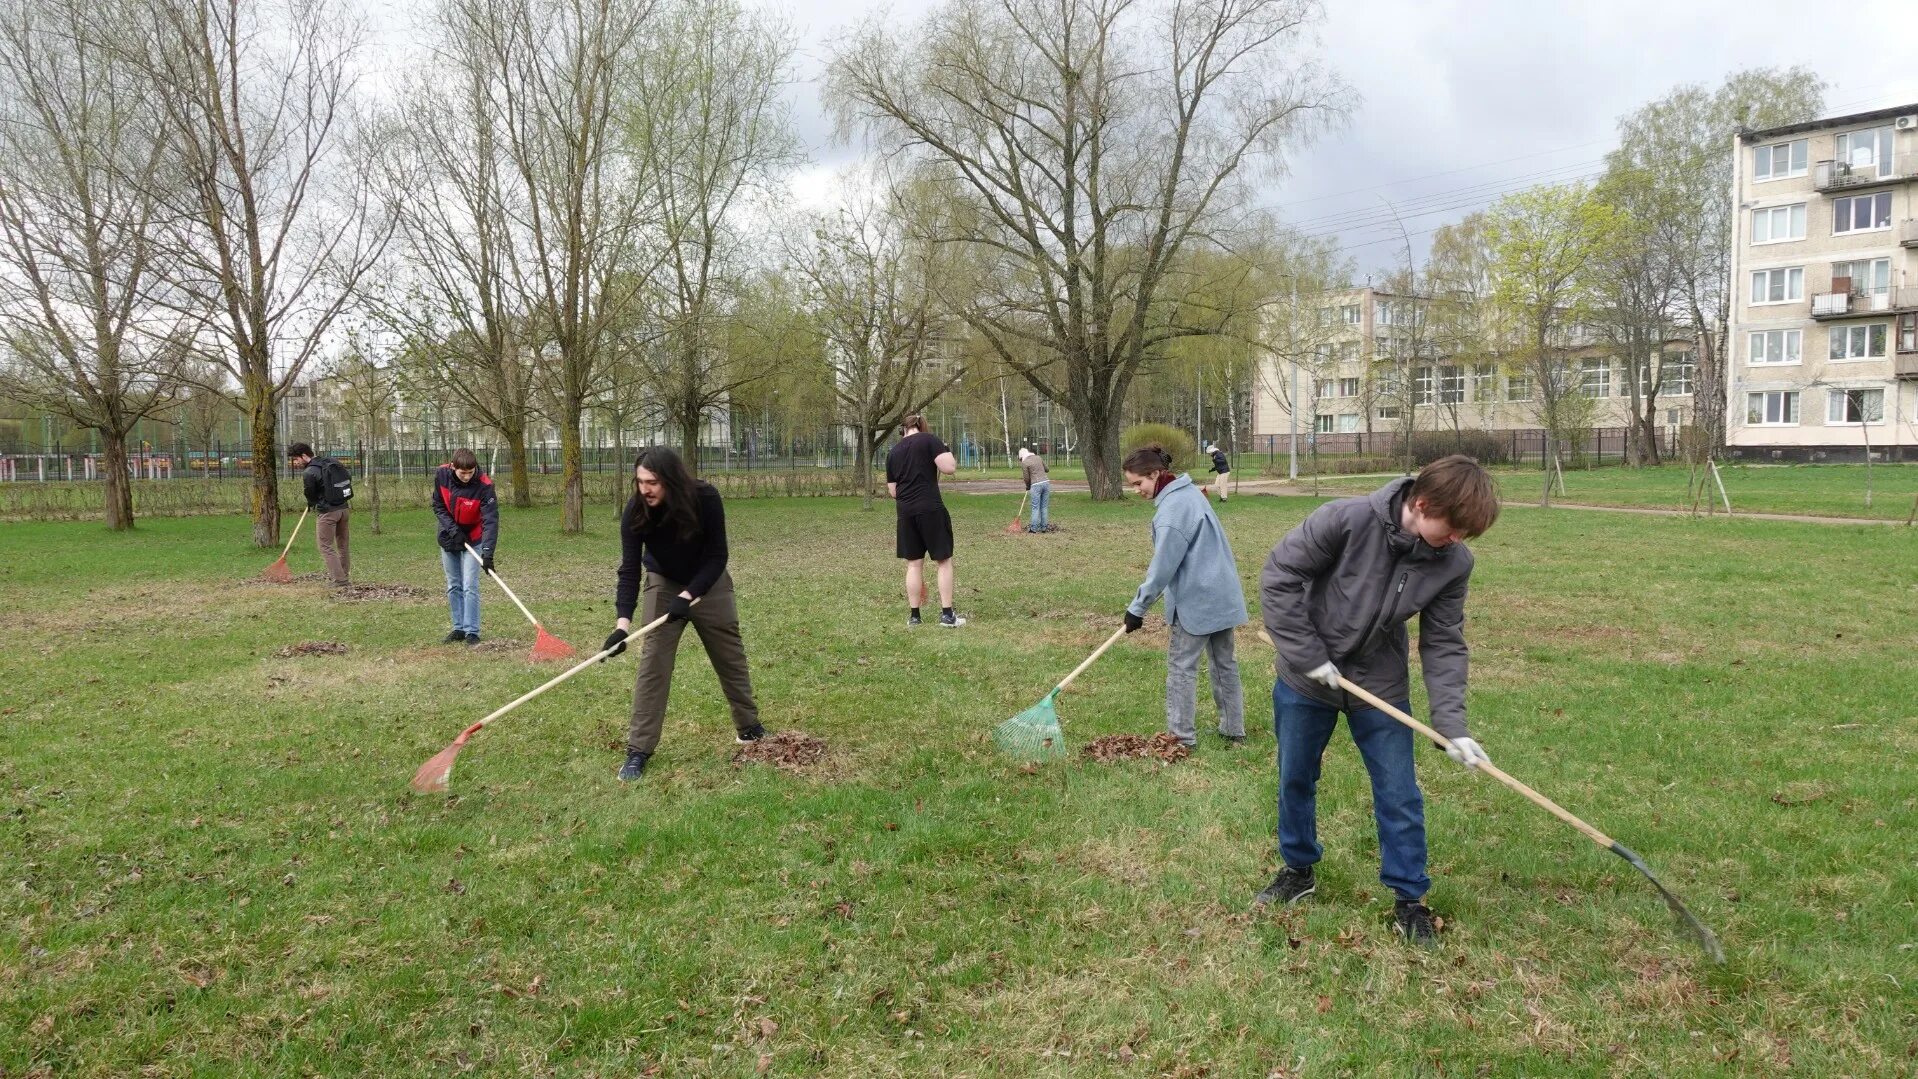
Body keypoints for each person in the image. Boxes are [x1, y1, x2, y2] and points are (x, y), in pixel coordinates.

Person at [1255, 454, 1501, 945]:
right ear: (1422, 504)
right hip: (1307, 680)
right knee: (1295, 777)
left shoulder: (1453, 563)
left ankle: (1409, 897)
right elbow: (1279, 576)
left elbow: (1444, 641)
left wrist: (1453, 725)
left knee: (1398, 791)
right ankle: (1298, 870)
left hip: (1378, 684)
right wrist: (1308, 656)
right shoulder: (1344, 520)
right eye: (1452, 528)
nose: (1457, 541)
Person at [602, 447, 765, 781]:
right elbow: (630, 569)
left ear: (672, 480)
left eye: (652, 482)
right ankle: (638, 750)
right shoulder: (636, 509)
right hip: (663, 582)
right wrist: (622, 626)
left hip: (709, 580)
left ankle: (749, 727)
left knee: (729, 654)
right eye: (639, 481)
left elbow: (718, 555)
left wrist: (690, 595)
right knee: (653, 663)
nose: (644, 489)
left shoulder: (705, 498)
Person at [1119, 444, 1247, 749]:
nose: (1136, 490)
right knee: (1224, 664)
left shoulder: (1172, 511)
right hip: (1222, 594)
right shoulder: (1189, 493)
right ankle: (1233, 730)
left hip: (1197, 602)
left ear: (1155, 473)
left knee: (1181, 668)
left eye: (1139, 483)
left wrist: (1137, 608)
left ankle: (1180, 739)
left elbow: (1162, 567)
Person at [886, 414, 964, 627]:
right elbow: (949, 468)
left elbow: (893, 491)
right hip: (930, 508)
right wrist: (946, 450)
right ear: (921, 426)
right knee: (943, 560)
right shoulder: (929, 440)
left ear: (904, 429)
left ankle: (914, 617)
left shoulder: (893, 452)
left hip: (905, 512)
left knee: (913, 564)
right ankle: (947, 615)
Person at [432, 448, 499, 645]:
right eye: (463, 473)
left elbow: (490, 521)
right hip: (449, 535)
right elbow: (438, 505)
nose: (467, 477)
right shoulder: (442, 475)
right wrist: (454, 530)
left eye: (471, 472)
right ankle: (458, 627)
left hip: (474, 538)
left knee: (470, 585)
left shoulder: (485, 486)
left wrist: (487, 553)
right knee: (454, 585)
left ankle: (472, 631)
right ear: (453, 467)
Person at [287, 442, 352, 587]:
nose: (296, 463)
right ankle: (343, 575)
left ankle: (340, 580)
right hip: (344, 509)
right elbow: (348, 477)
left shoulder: (309, 472)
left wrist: (312, 503)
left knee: (325, 546)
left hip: (328, 513)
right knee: (343, 545)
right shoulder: (331, 461)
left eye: (296, 459)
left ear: (304, 456)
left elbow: (310, 493)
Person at [1019, 447, 1052, 533]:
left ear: (1022, 457)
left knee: (1035, 507)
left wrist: (1027, 486)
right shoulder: (1038, 457)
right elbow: (1047, 469)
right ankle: (1044, 528)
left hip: (1036, 485)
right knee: (1044, 507)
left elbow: (1026, 478)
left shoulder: (1025, 463)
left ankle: (1033, 529)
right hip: (1046, 483)